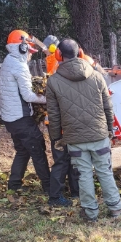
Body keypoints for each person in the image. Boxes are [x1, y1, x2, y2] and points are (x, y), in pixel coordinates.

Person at [46, 38, 121, 222]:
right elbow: (108, 106)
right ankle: (115, 208)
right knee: (104, 171)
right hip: (99, 134)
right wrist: (110, 129)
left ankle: (90, 213)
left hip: (75, 139)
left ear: (59, 55)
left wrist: (56, 138)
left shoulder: (53, 82)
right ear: (80, 53)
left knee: (84, 175)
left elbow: (54, 115)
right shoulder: (97, 76)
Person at [0, 30, 50, 193]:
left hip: (10, 118)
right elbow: (28, 96)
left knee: (23, 150)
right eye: (30, 52)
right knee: (37, 147)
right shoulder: (19, 66)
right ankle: (49, 188)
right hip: (20, 118)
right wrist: (48, 99)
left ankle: (14, 185)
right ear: (22, 48)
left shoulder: (8, 61)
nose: (30, 56)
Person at [42, 35, 80, 206]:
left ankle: (74, 191)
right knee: (64, 160)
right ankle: (56, 197)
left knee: (69, 160)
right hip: (61, 124)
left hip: (62, 124)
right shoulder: (57, 70)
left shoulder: (55, 68)